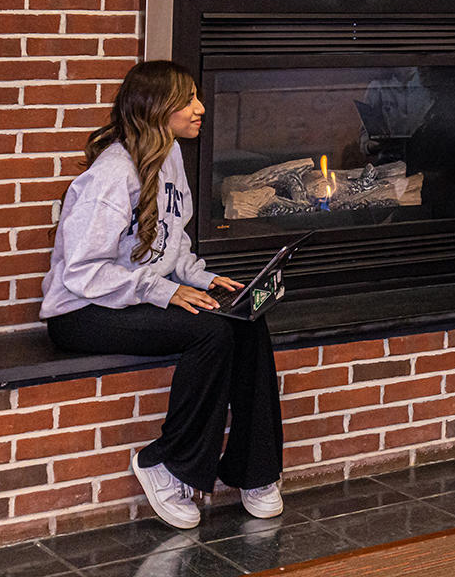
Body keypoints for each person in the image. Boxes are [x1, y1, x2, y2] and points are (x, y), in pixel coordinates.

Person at [40, 60, 282, 530]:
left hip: (137, 298)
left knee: (247, 319)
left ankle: (253, 471)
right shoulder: (112, 175)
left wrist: (199, 277)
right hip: (85, 311)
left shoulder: (168, 155)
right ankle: (166, 462)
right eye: (188, 99)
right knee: (210, 335)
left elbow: (174, 239)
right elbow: (81, 272)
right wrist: (164, 291)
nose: (200, 108)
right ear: (157, 107)